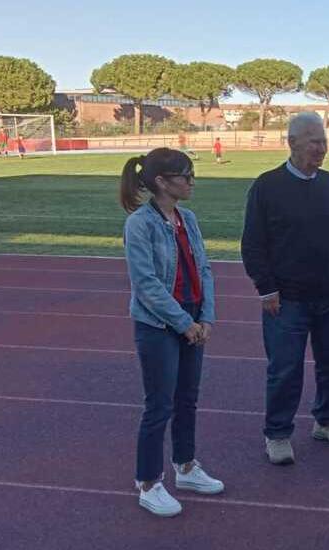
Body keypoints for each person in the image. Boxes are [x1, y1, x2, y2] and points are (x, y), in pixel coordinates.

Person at [242, 112, 329, 465]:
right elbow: (253, 243)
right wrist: (266, 288)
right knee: (285, 368)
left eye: (323, 142)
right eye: (314, 142)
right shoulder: (266, 186)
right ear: (292, 143)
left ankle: (327, 420)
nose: (321, 149)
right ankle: (277, 433)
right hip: (286, 299)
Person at [120, 147, 224, 517]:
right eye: (185, 175)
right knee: (159, 405)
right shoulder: (140, 224)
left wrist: (206, 317)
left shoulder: (188, 219)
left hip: (193, 319)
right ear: (162, 182)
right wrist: (185, 323)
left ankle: (185, 466)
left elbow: (204, 268)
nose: (192, 181)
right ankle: (148, 482)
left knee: (187, 399)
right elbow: (146, 284)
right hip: (160, 325)